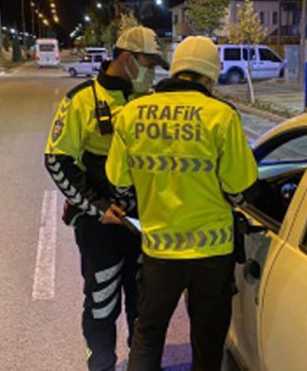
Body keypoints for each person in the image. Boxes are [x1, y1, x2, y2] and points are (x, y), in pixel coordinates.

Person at [105, 36, 258, 371]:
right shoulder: (221, 115)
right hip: (212, 254)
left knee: (148, 336)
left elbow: (119, 180)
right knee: (207, 340)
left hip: (159, 252)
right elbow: (241, 187)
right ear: (210, 77)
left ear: (175, 70)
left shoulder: (132, 114)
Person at [44, 26, 169, 371]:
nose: (152, 73)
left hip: (144, 224)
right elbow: (57, 160)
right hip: (101, 228)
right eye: (148, 64)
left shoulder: (150, 102)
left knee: (144, 307)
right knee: (101, 303)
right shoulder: (82, 100)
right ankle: (102, 366)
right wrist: (97, 207)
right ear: (127, 59)